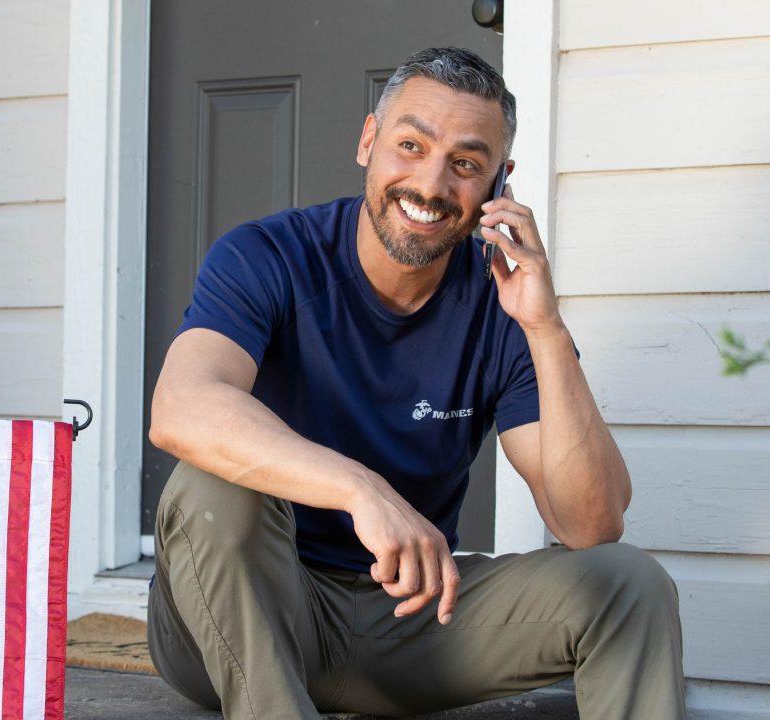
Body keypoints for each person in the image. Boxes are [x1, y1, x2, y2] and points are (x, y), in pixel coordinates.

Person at [146, 47, 684, 720]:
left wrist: (545, 329)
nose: (430, 185)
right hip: (240, 617)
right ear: (369, 141)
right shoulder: (269, 256)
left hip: (400, 623)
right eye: (410, 145)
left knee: (627, 585)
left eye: (464, 164)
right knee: (214, 484)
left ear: (497, 185)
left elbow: (590, 523)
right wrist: (360, 488)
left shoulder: (505, 307)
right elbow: (180, 408)